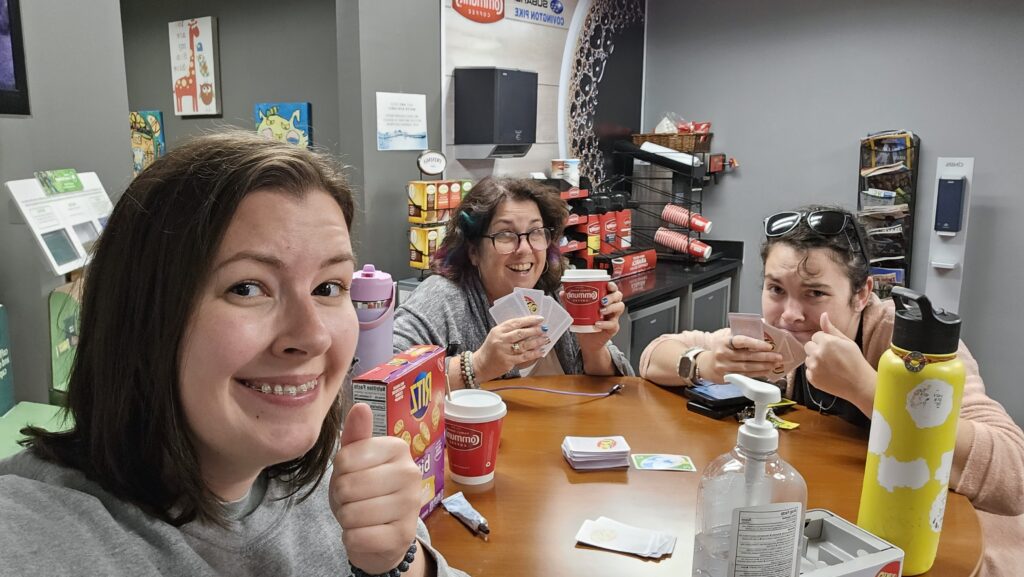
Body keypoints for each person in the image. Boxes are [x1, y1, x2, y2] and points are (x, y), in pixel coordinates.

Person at [0, 131, 467, 577]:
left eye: (328, 287)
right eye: (247, 288)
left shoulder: (337, 474)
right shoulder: (33, 531)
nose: (313, 336)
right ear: (139, 314)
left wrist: (398, 561)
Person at [639, 204, 1024, 575]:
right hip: (837, 533)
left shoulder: (905, 343)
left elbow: (1013, 470)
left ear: (861, 294)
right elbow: (653, 355)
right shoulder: (776, 340)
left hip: (944, 548)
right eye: (776, 289)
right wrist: (705, 364)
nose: (790, 314)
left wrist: (867, 388)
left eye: (815, 293)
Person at [393, 177, 632, 388]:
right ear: (474, 251)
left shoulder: (558, 292)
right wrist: (477, 366)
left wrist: (594, 348)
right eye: (505, 235)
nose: (525, 248)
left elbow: (617, 392)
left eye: (536, 232)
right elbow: (388, 379)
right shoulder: (442, 298)